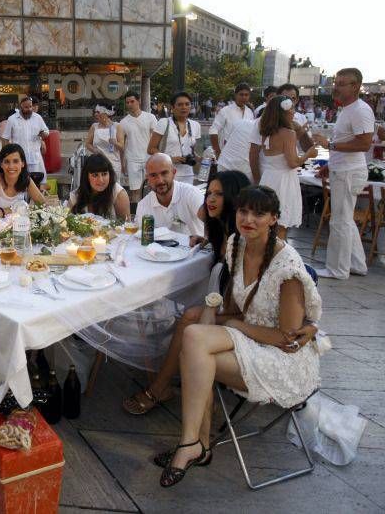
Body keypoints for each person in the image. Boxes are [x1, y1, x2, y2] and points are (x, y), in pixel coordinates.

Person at [158, 185, 322, 487]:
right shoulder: (237, 244)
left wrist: (236, 327)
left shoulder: (287, 269)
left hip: (282, 359)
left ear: (273, 219)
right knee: (194, 332)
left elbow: (288, 340)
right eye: (244, 211)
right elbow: (236, 305)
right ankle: (194, 444)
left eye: (259, 214)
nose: (248, 219)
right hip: (248, 339)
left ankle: (195, 444)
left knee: (194, 349)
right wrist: (218, 315)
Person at [122, 170, 252, 415]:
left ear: (234, 198)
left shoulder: (243, 240)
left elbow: (245, 302)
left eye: (219, 194)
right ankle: (177, 383)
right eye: (209, 193)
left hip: (244, 318)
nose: (210, 199)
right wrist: (206, 239)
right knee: (185, 310)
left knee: (189, 317)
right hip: (222, 304)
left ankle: (160, 388)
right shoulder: (223, 234)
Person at [312, 68, 374, 279]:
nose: (335, 87)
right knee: (345, 219)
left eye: (341, 83)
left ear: (355, 86)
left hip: (349, 173)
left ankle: (337, 269)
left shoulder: (360, 110)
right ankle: (357, 264)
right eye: (336, 83)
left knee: (340, 221)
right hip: (343, 169)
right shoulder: (348, 109)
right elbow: (350, 142)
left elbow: (364, 143)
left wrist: (329, 144)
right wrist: (330, 164)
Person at [250, 96, 318, 239]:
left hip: (268, 178)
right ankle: (278, 258)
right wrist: (308, 154)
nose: (294, 112)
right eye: (292, 108)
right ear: (284, 112)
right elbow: (292, 162)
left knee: (266, 225)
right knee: (281, 227)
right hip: (283, 181)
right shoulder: (288, 133)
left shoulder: (265, 131)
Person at [136, 153, 204, 243]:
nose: (160, 180)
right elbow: (141, 239)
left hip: (195, 254)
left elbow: (211, 220)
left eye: (164, 173)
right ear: (147, 178)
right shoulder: (143, 205)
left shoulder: (191, 194)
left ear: (174, 172)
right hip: (158, 255)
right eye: (153, 175)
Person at [147, 92, 202, 185]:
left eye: (187, 104)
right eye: (180, 105)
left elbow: (194, 151)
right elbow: (151, 149)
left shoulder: (195, 125)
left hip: (188, 174)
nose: (184, 107)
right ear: (172, 107)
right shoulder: (164, 123)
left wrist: (203, 159)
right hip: (167, 173)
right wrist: (170, 159)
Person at [0, 143, 45, 218]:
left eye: (15, 161)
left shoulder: (26, 178)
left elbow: (43, 204)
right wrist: (14, 208)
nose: (11, 166)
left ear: (22, 163)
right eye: (7, 161)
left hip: (20, 227)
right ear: (1, 164)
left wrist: (29, 209)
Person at [1, 97, 50, 182]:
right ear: (21, 107)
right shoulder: (12, 119)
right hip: (18, 158)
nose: (29, 109)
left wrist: (43, 134)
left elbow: (46, 131)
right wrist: (6, 156)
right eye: (26, 107)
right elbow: (5, 138)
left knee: (36, 183)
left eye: (30, 106)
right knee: (20, 183)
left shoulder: (37, 118)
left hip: (35, 157)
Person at [68, 153, 130, 220]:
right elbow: (66, 223)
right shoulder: (76, 196)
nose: (101, 180)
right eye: (95, 175)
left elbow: (126, 226)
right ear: (86, 177)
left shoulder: (118, 194)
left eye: (104, 174)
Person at [119, 91, 156, 201]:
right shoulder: (123, 122)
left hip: (149, 158)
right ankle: (137, 215)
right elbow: (122, 145)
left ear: (138, 101)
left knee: (152, 188)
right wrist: (122, 163)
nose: (130, 104)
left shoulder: (150, 117)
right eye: (127, 102)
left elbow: (156, 139)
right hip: (132, 159)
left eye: (132, 101)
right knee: (135, 191)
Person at [209, 83, 254, 157]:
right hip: (226, 154)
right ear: (235, 95)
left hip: (243, 155)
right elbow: (213, 130)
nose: (244, 97)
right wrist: (217, 151)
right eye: (241, 94)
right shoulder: (225, 111)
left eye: (246, 95)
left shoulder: (250, 112)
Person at [85, 104, 124, 180]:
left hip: (114, 163)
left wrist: (115, 143)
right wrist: (95, 150)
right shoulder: (94, 126)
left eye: (98, 112)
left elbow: (122, 147)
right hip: (99, 162)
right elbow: (87, 144)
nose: (96, 114)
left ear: (106, 113)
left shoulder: (117, 126)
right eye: (95, 112)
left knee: (114, 186)